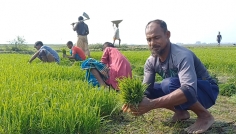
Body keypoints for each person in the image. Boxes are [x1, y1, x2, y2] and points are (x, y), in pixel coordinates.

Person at [122, 19, 219, 133]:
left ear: (167, 35)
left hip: (206, 91)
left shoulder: (182, 55)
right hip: (187, 91)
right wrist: (134, 101)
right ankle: (181, 112)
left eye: (156, 38)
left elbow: (189, 89)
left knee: (168, 83)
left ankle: (204, 116)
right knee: (154, 88)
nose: (152, 43)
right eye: (149, 39)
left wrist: (151, 104)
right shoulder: (151, 61)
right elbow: (146, 90)